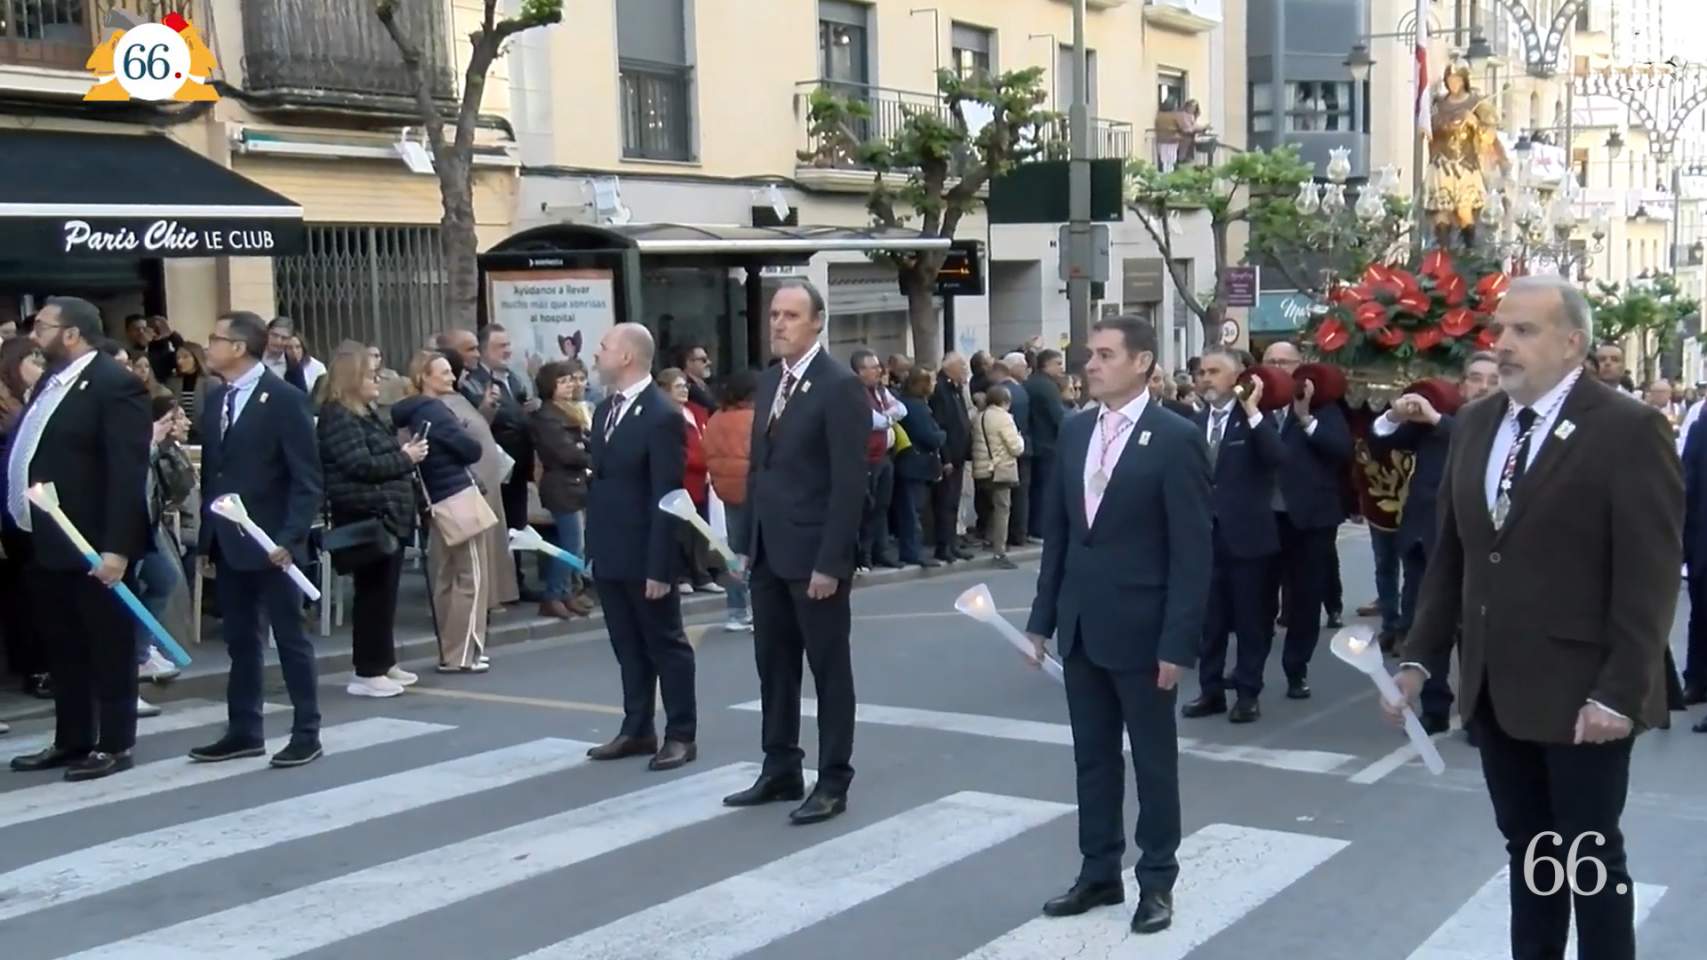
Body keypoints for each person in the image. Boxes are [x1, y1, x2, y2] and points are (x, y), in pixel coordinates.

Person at [1388, 276, 1680, 960]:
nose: (1503, 344)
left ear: (1572, 343)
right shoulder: (1475, 424)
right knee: (1530, 851)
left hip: (1583, 693)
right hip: (1496, 686)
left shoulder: (1627, 429)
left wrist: (1618, 692)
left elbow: (1649, 576)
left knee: (1590, 857)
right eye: (1501, 329)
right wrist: (1417, 658)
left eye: (1524, 331)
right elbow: (1454, 557)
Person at [1024, 315, 1212, 935]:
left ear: (1143, 362)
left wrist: (1178, 641)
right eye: (1090, 355)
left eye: (1106, 355)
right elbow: (1060, 535)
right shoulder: (1076, 431)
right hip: (1082, 625)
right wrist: (1041, 620)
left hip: (1144, 629)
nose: (1091, 365)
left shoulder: (1176, 438)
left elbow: (1192, 552)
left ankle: (1156, 879)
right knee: (1093, 758)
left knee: (1153, 762)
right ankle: (1098, 869)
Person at [724, 280, 867, 825]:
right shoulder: (770, 381)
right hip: (768, 552)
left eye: (790, 315)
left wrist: (831, 561)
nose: (778, 324)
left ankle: (833, 779)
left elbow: (849, 483)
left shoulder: (839, 386)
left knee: (828, 671)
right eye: (774, 315)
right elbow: (761, 470)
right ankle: (781, 765)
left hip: (814, 557)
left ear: (817, 322)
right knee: (775, 667)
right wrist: (747, 544)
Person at [4, 297, 151, 781]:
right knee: (63, 646)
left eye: (42, 327)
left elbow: (126, 473)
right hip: (43, 540)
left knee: (107, 646)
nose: (33, 335)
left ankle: (115, 742)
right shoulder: (52, 380)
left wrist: (117, 548)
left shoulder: (114, 384)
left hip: (91, 542)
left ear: (71, 334)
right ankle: (72, 738)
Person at [193, 310, 324, 768]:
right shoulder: (216, 399)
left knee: (290, 639)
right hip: (229, 542)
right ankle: (244, 729)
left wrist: (290, 537)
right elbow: (214, 475)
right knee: (241, 641)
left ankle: (306, 731)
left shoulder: (284, 399)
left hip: (274, 543)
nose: (207, 347)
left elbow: (307, 478)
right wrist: (207, 541)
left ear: (238, 347)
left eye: (215, 339)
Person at [584, 323, 696, 771]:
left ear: (627, 356)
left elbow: (667, 496)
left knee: (666, 644)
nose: (597, 354)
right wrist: (593, 549)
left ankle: (681, 734)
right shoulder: (604, 411)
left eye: (604, 346)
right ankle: (637, 728)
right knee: (627, 645)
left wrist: (660, 566)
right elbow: (603, 485)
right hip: (611, 549)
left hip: (645, 551)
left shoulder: (662, 414)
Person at [1370, 354, 1500, 733]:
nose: (1484, 387)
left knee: (1475, 632)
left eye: (1493, 380)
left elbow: (1471, 439)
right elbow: (1380, 442)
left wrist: (1437, 420)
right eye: (1476, 379)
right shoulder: (1431, 424)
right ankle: (1434, 706)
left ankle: (1478, 713)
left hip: (1477, 546)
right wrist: (1395, 414)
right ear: (1462, 385)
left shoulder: (1503, 427)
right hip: (1425, 539)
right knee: (1426, 625)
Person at [319, 341, 428, 698]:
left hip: (386, 513)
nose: (377, 381)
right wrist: (406, 457)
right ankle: (367, 671)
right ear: (352, 379)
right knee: (372, 595)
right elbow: (360, 464)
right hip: (366, 514)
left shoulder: (364, 413)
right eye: (370, 375)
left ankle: (384, 661)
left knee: (385, 594)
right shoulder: (339, 416)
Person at [1182, 346, 1282, 724]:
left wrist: (1253, 410)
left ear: (1238, 376)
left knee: (1251, 620)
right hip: (1205, 538)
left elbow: (1277, 458)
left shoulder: (1255, 419)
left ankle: (1247, 692)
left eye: (1214, 371)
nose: (1205, 378)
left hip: (1248, 538)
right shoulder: (1192, 423)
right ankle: (1210, 691)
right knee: (1210, 622)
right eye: (1202, 372)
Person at [394, 351, 497, 673]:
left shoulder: (411, 412)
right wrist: (462, 432)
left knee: (447, 577)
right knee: (472, 577)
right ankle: (464, 653)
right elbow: (470, 449)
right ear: (424, 377)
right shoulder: (434, 410)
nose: (452, 377)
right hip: (457, 495)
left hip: (437, 500)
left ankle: (451, 650)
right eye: (443, 372)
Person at [1263, 340, 1352, 699]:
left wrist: (1305, 418)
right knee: (1256, 595)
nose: (1277, 367)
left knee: (1305, 598)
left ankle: (1296, 667)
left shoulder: (1322, 407)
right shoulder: (1253, 405)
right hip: (1264, 517)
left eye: (1285, 362)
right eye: (1271, 360)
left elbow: (1340, 449)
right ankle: (1249, 671)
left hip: (1311, 518)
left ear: (1300, 366)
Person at [462, 324, 538, 602]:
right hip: (495, 466)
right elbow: (478, 422)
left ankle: (516, 581)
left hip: (518, 466)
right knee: (499, 526)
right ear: (484, 350)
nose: (507, 351)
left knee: (516, 523)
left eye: (508, 344)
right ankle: (501, 586)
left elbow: (520, 409)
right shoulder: (474, 383)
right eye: (500, 346)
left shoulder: (513, 378)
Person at [0, 338, 48, 701]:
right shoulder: (7, 405)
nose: (41, 367)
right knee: (26, 593)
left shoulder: (35, 399)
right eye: (33, 360)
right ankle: (34, 667)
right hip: (11, 511)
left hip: (38, 506)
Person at [529, 360, 593, 621]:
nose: (570, 386)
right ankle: (553, 595)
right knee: (571, 545)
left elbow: (585, 443)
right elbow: (565, 453)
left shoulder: (569, 411)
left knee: (575, 545)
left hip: (575, 484)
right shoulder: (547, 416)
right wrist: (588, 455)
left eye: (571, 381)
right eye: (562, 382)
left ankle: (566, 592)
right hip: (561, 485)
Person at [704, 370, 758, 632]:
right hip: (756, 489)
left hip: (727, 490)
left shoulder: (716, 418)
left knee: (735, 550)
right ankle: (760, 609)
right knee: (759, 551)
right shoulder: (755, 418)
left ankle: (736, 610)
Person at [853, 349, 905, 570]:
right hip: (867, 459)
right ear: (860, 371)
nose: (879, 371)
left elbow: (901, 410)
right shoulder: (855, 393)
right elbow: (875, 421)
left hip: (884, 456)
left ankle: (880, 551)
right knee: (867, 509)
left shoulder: (881, 391)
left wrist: (887, 417)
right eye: (873, 367)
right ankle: (863, 556)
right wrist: (889, 418)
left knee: (882, 506)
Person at [971, 383, 1025, 570]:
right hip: (1000, 469)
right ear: (1005, 401)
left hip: (982, 468)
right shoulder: (1004, 418)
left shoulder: (980, 417)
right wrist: (1020, 438)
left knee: (991, 507)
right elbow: (1015, 448)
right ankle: (999, 551)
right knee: (1002, 509)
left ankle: (989, 539)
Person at [895, 368, 944, 569]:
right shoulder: (916, 407)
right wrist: (942, 435)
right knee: (912, 512)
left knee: (912, 510)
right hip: (914, 465)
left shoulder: (909, 403)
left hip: (911, 464)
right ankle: (912, 552)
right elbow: (929, 436)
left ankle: (913, 549)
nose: (934, 385)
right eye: (931, 381)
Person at [929, 353, 974, 564]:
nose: (965, 370)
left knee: (954, 503)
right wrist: (945, 457)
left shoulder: (956, 389)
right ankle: (943, 546)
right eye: (962, 366)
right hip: (949, 456)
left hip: (959, 454)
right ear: (950, 368)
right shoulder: (940, 390)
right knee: (945, 503)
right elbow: (941, 424)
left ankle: (952, 543)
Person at [1025, 350, 1067, 540]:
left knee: (1035, 488)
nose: (1061, 367)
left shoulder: (1030, 382)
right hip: (1047, 444)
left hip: (1034, 442)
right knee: (1045, 489)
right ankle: (1040, 528)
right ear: (1046, 365)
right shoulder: (1047, 386)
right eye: (1058, 363)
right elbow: (1058, 416)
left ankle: (1033, 526)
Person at [165, 342, 211, 442]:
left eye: (185, 357)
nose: (180, 361)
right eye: (178, 358)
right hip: (179, 435)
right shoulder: (172, 382)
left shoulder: (211, 382)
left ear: (196, 358)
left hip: (204, 435)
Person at [262, 316, 310, 393]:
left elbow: (300, 394)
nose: (278, 341)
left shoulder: (292, 365)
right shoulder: (254, 356)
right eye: (274, 335)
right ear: (267, 333)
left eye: (284, 338)